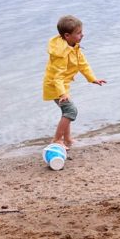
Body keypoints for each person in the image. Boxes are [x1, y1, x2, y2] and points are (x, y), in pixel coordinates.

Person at [42, 15, 106, 149]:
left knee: (67, 112)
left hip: (62, 87)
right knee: (71, 111)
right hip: (55, 87)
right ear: (67, 35)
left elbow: (83, 65)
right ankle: (57, 140)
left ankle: (68, 139)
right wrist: (62, 94)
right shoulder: (61, 54)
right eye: (78, 33)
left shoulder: (74, 46)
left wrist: (92, 78)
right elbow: (57, 77)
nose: (82, 35)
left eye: (81, 31)